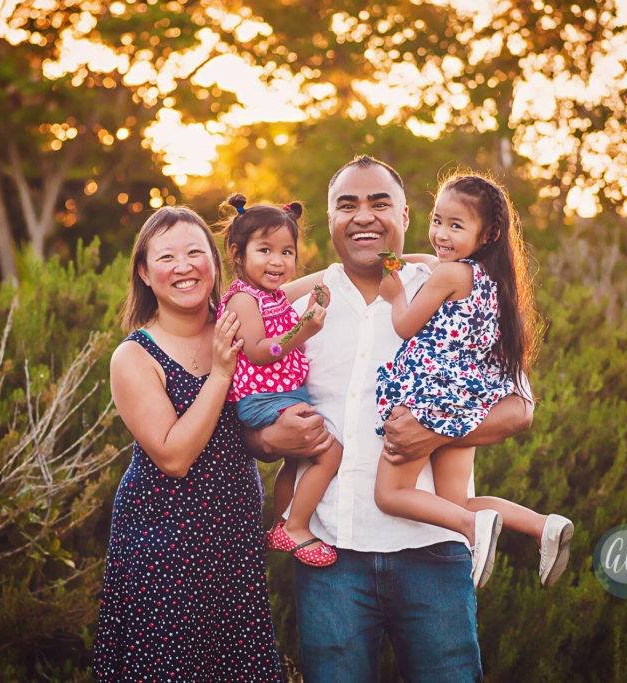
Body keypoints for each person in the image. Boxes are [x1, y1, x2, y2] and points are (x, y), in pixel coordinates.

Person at [246, 156, 536, 681]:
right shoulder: (296, 304)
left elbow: (519, 408)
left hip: (434, 554)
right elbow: (249, 407)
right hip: (330, 555)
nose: (364, 217)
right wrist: (268, 437)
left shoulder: (452, 290)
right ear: (329, 220)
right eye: (347, 205)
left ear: (405, 214)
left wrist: (438, 428)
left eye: (379, 203)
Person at [93, 206, 281, 681]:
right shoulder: (134, 356)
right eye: (167, 256)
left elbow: (255, 431)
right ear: (143, 271)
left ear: (215, 264)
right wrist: (220, 373)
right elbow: (174, 456)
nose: (184, 266)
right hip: (163, 547)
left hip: (233, 541)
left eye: (196, 252)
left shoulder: (240, 325)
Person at [374, 173, 573, 589]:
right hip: (465, 402)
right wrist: (403, 261)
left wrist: (396, 295)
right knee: (455, 500)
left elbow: (407, 326)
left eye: (455, 225)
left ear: (489, 233)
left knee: (389, 495)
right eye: (436, 220)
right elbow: (433, 263)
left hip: (426, 398)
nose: (440, 234)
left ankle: (472, 527)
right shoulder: (494, 283)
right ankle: (542, 526)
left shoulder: (450, 277)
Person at [216, 194, 342, 567]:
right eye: (265, 250)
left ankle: (282, 523)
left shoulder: (270, 296)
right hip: (264, 398)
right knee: (329, 452)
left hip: (283, 393)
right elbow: (256, 350)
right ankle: (297, 527)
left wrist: (318, 296)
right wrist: (304, 329)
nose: (277, 261)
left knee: (296, 462)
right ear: (238, 255)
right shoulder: (244, 299)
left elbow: (304, 292)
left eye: (287, 252)